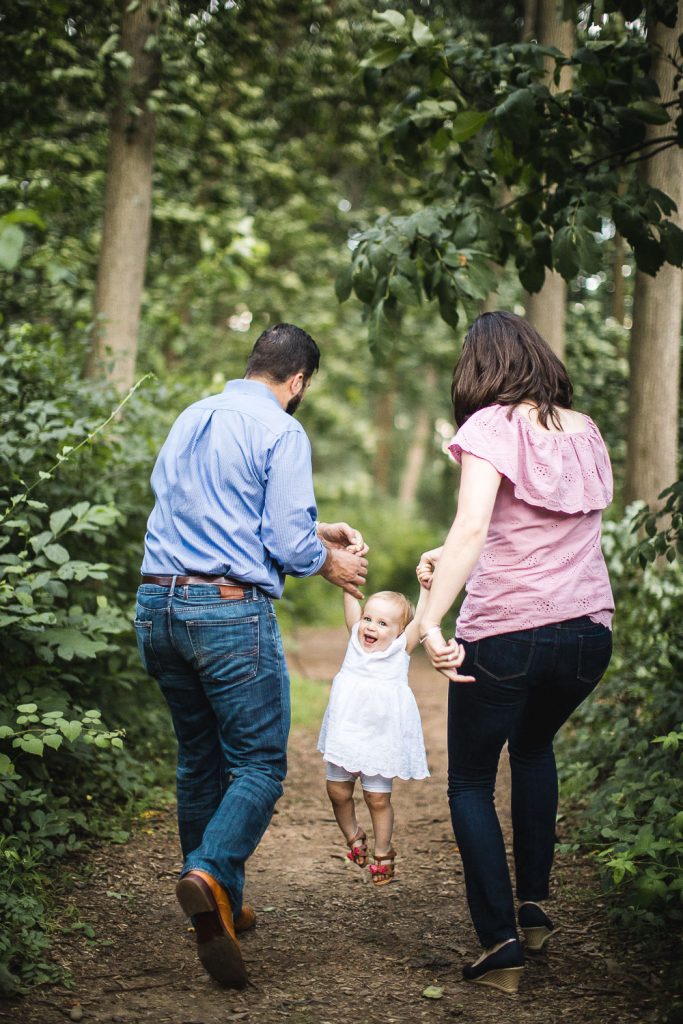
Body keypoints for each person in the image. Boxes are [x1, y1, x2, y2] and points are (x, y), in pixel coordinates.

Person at [134, 323, 368, 989]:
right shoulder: (281, 430)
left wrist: (308, 530)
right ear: (298, 381)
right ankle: (208, 873)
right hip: (227, 611)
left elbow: (207, 509)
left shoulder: (193, 415)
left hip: (157, 604)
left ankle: (220, 910)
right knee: (259, 765)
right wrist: (330, 558)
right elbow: (288, 548)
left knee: (198, 759)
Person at [415, 311, 614, 995]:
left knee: (469, 780)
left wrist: (429, 622)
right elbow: (541, 526)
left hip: (506, 634)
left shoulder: (489, 427)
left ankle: (498, 941)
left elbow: (473, 523)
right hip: (587, 633)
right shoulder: (582, 429)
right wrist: (449, 559)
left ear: (479, 366)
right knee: (532, 749)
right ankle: (532, 910)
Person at [318, 586, 430, 885]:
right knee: (337, 792)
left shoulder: (400, 649)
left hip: (380, 737)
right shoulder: (356, 640)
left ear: (399, 632)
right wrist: (349, 577)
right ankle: (353, 835)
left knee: (377, 798)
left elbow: (420, 620)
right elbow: (351, 599)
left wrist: (425, 588)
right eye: (369, 618)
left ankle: (383, 852)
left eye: (383, 624)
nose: (371, 627)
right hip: (346, 731)